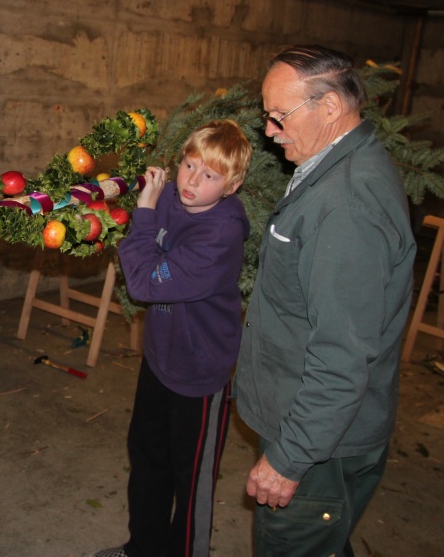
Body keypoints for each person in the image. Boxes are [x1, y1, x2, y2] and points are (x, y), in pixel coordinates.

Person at [234, 45, 416, 555]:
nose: (269, 130)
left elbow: (341, 355)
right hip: (316, 427)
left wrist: (289, 458)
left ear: (330, 106)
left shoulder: (348, 205)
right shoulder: (335, 165)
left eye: (279, 115)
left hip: (320, 445)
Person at [93, 119, 253, 557]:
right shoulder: (171, 197)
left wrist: (144, 212)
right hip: (160, 358)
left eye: (209, 175)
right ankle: (143, 548)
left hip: (198, 374)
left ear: (232, 186)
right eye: (188, 165)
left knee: (192, 480)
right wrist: (143, 194)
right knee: (147, 458)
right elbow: (136, 229)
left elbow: (144, 283)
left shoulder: (219, 234)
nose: (192, 181)